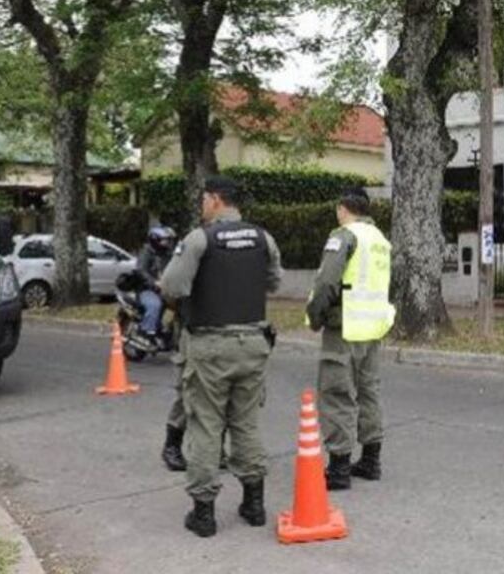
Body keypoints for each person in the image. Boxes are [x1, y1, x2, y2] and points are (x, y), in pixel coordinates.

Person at [160, 176, 283, 538]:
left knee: (206, 425)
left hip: (210, 345)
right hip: (253, 343)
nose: (202, 205)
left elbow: (172, 286)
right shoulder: (263, 238)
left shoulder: (200, 239)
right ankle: (254, 504)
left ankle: (204, 514)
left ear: (215, 200)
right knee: (246, 423)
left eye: (204, 199)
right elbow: (274, 282)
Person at [305, 187, 395, 491]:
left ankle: (339, 467)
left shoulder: (344, 236)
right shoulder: (380, 239)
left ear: (342, 208)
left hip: (344, 327)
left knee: (337, 394)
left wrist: (315, 316)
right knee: (369, 392)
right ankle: (371, 460)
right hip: (372, 329)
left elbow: (326, 282)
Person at [133, 226, 176, 348]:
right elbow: (140, 271)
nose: (168, 243)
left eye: (169, 240)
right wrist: (154, 283)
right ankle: (146, 333)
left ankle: (169, 331)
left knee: (182, 305)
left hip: (165, 289)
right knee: (155, 305)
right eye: (164, 240)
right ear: (155, 240)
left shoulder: (168, 254)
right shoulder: (146, 252)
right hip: (147, 289)